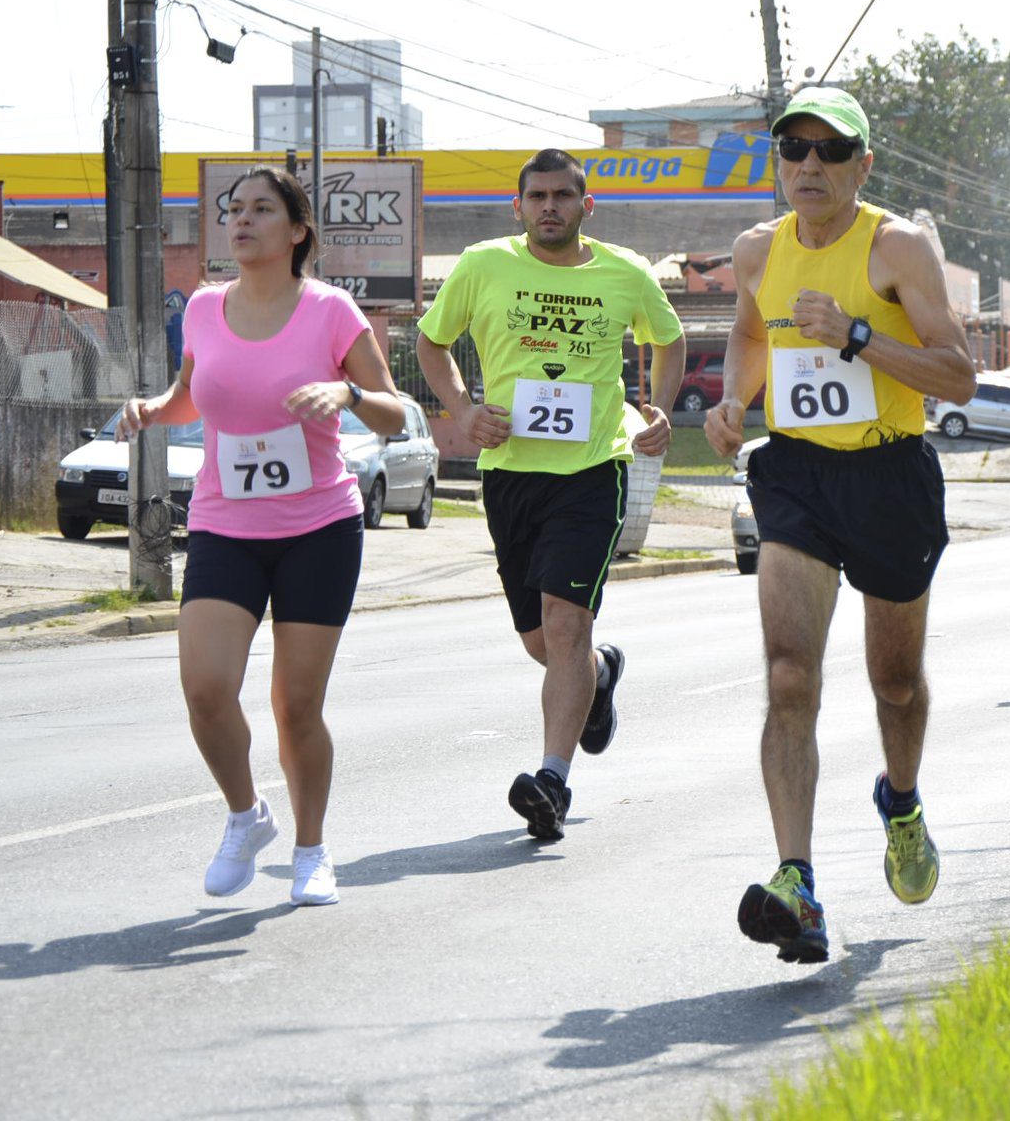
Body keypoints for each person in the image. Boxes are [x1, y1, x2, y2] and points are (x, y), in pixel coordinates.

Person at [703, 87, 977, 964]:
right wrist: (733, 401)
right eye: (795, 150)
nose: (810, 165)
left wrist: (858, 336)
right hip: (798, 475)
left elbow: (958, 375)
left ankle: (902, 800)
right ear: (779, 164)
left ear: (864, 165)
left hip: (890, 476)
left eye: (831, 150)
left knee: (894, 683)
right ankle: (798, 884)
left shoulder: (896, 247)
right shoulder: (757, 250)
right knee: (790, 675)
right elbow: (751, 335)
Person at [121, 165, 405, 906]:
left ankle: (311, 851)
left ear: (298, 230)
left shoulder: (330, 311)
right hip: (225, 524)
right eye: (234, 209)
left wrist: (347, 391)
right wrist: (152, 408)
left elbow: (394, 412)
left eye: (260, 210)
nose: (241, 220)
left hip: (319, 528)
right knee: (206, 689)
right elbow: (193, 396)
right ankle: (246, 817)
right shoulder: (204, 309)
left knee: (295, 706)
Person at [416, 149, 686, 844]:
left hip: (593, 471)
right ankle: (600, 675)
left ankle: (552, 782)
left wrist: (657, 408)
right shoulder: (482, 265)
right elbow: (431, 343)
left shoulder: (625, 272)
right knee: (542, 641)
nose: (549, 207)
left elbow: (670, 339)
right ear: (518, 206)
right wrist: (462, 410)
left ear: (585, 205)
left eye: (563, 196)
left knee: (565, 624)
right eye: (537, 197)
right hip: (510, 474)